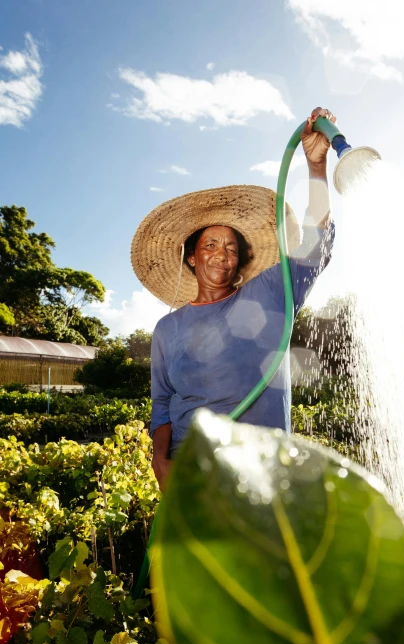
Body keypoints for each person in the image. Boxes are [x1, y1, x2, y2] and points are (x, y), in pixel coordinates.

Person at [131, 107, 336, 490]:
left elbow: (316, 244)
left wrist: (316, 167)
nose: (221, 254)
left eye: (230, 247)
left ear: (240, 258)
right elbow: (162, 403)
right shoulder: (168, 329)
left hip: (266, 479)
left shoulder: (271, 295)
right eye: (209, 245)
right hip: (192, 476)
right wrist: (161, 461)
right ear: (192, 257)